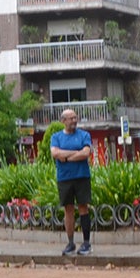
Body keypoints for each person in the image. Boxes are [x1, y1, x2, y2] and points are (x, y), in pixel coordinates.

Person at [50, 108, 93, 255]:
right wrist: (76, 153)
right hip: (64, 178)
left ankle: (86, 243)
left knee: (83, 207)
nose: (74, 121)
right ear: (63, 121)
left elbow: (86, 153)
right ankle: (70, 243)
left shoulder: (84, 135)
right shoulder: (56, 137)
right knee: (68, 210)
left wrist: (66, 157)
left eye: (75, 118)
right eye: (71, 118)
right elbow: (55, 153)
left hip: (82, 176)